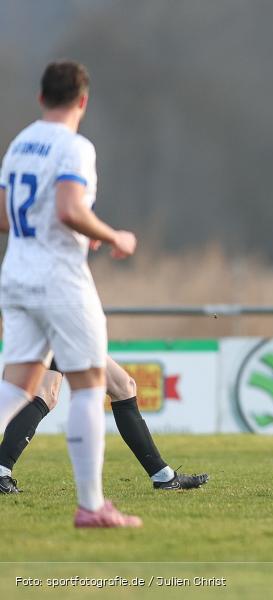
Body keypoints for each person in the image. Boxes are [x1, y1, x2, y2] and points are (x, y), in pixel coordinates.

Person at [0, 61, 140, 527]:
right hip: (59, 280)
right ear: (83, 101)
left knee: (16, 386)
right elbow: (67, 208)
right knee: (89, 385)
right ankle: (92, 506)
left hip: (16, 273)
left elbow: (4, 216)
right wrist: (112, 235)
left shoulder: (20, 144)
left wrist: (79, 228)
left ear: (41, 97)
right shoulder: (75, 147)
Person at [0, 356, 209, 494]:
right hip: (65, 316)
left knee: (49, 393)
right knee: (120, 388)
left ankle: (164, 476)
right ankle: (162, 477)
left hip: (54, 315)